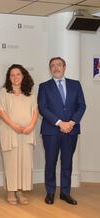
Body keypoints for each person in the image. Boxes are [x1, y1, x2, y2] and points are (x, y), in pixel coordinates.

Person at [38, 57, 86, 205]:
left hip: (71, 130)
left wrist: (71, 123)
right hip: (51, 131)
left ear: (64, 67)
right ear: (49, 69)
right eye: (52, 65)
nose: (56, 68)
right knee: (50, 162)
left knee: (67, 163)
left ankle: (65, 193)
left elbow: (81, 106)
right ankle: (50, 193)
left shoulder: (75, 85)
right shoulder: (44, 86)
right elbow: (43, 108)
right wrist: (60, 123)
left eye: (59, 65)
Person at [0, 64, 38, 205]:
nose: (15, 77)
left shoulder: (30, 93)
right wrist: (15, 126)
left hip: (26, 133)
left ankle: (20, 191)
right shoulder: (4, 92)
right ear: (9, 78)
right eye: (12, 75)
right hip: (10, 132)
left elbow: (36, 111)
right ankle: (11, 191)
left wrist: (31, 126)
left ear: (23, 75)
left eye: (18, 74)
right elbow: (0, 111)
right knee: (11, 162)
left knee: (24, 163)